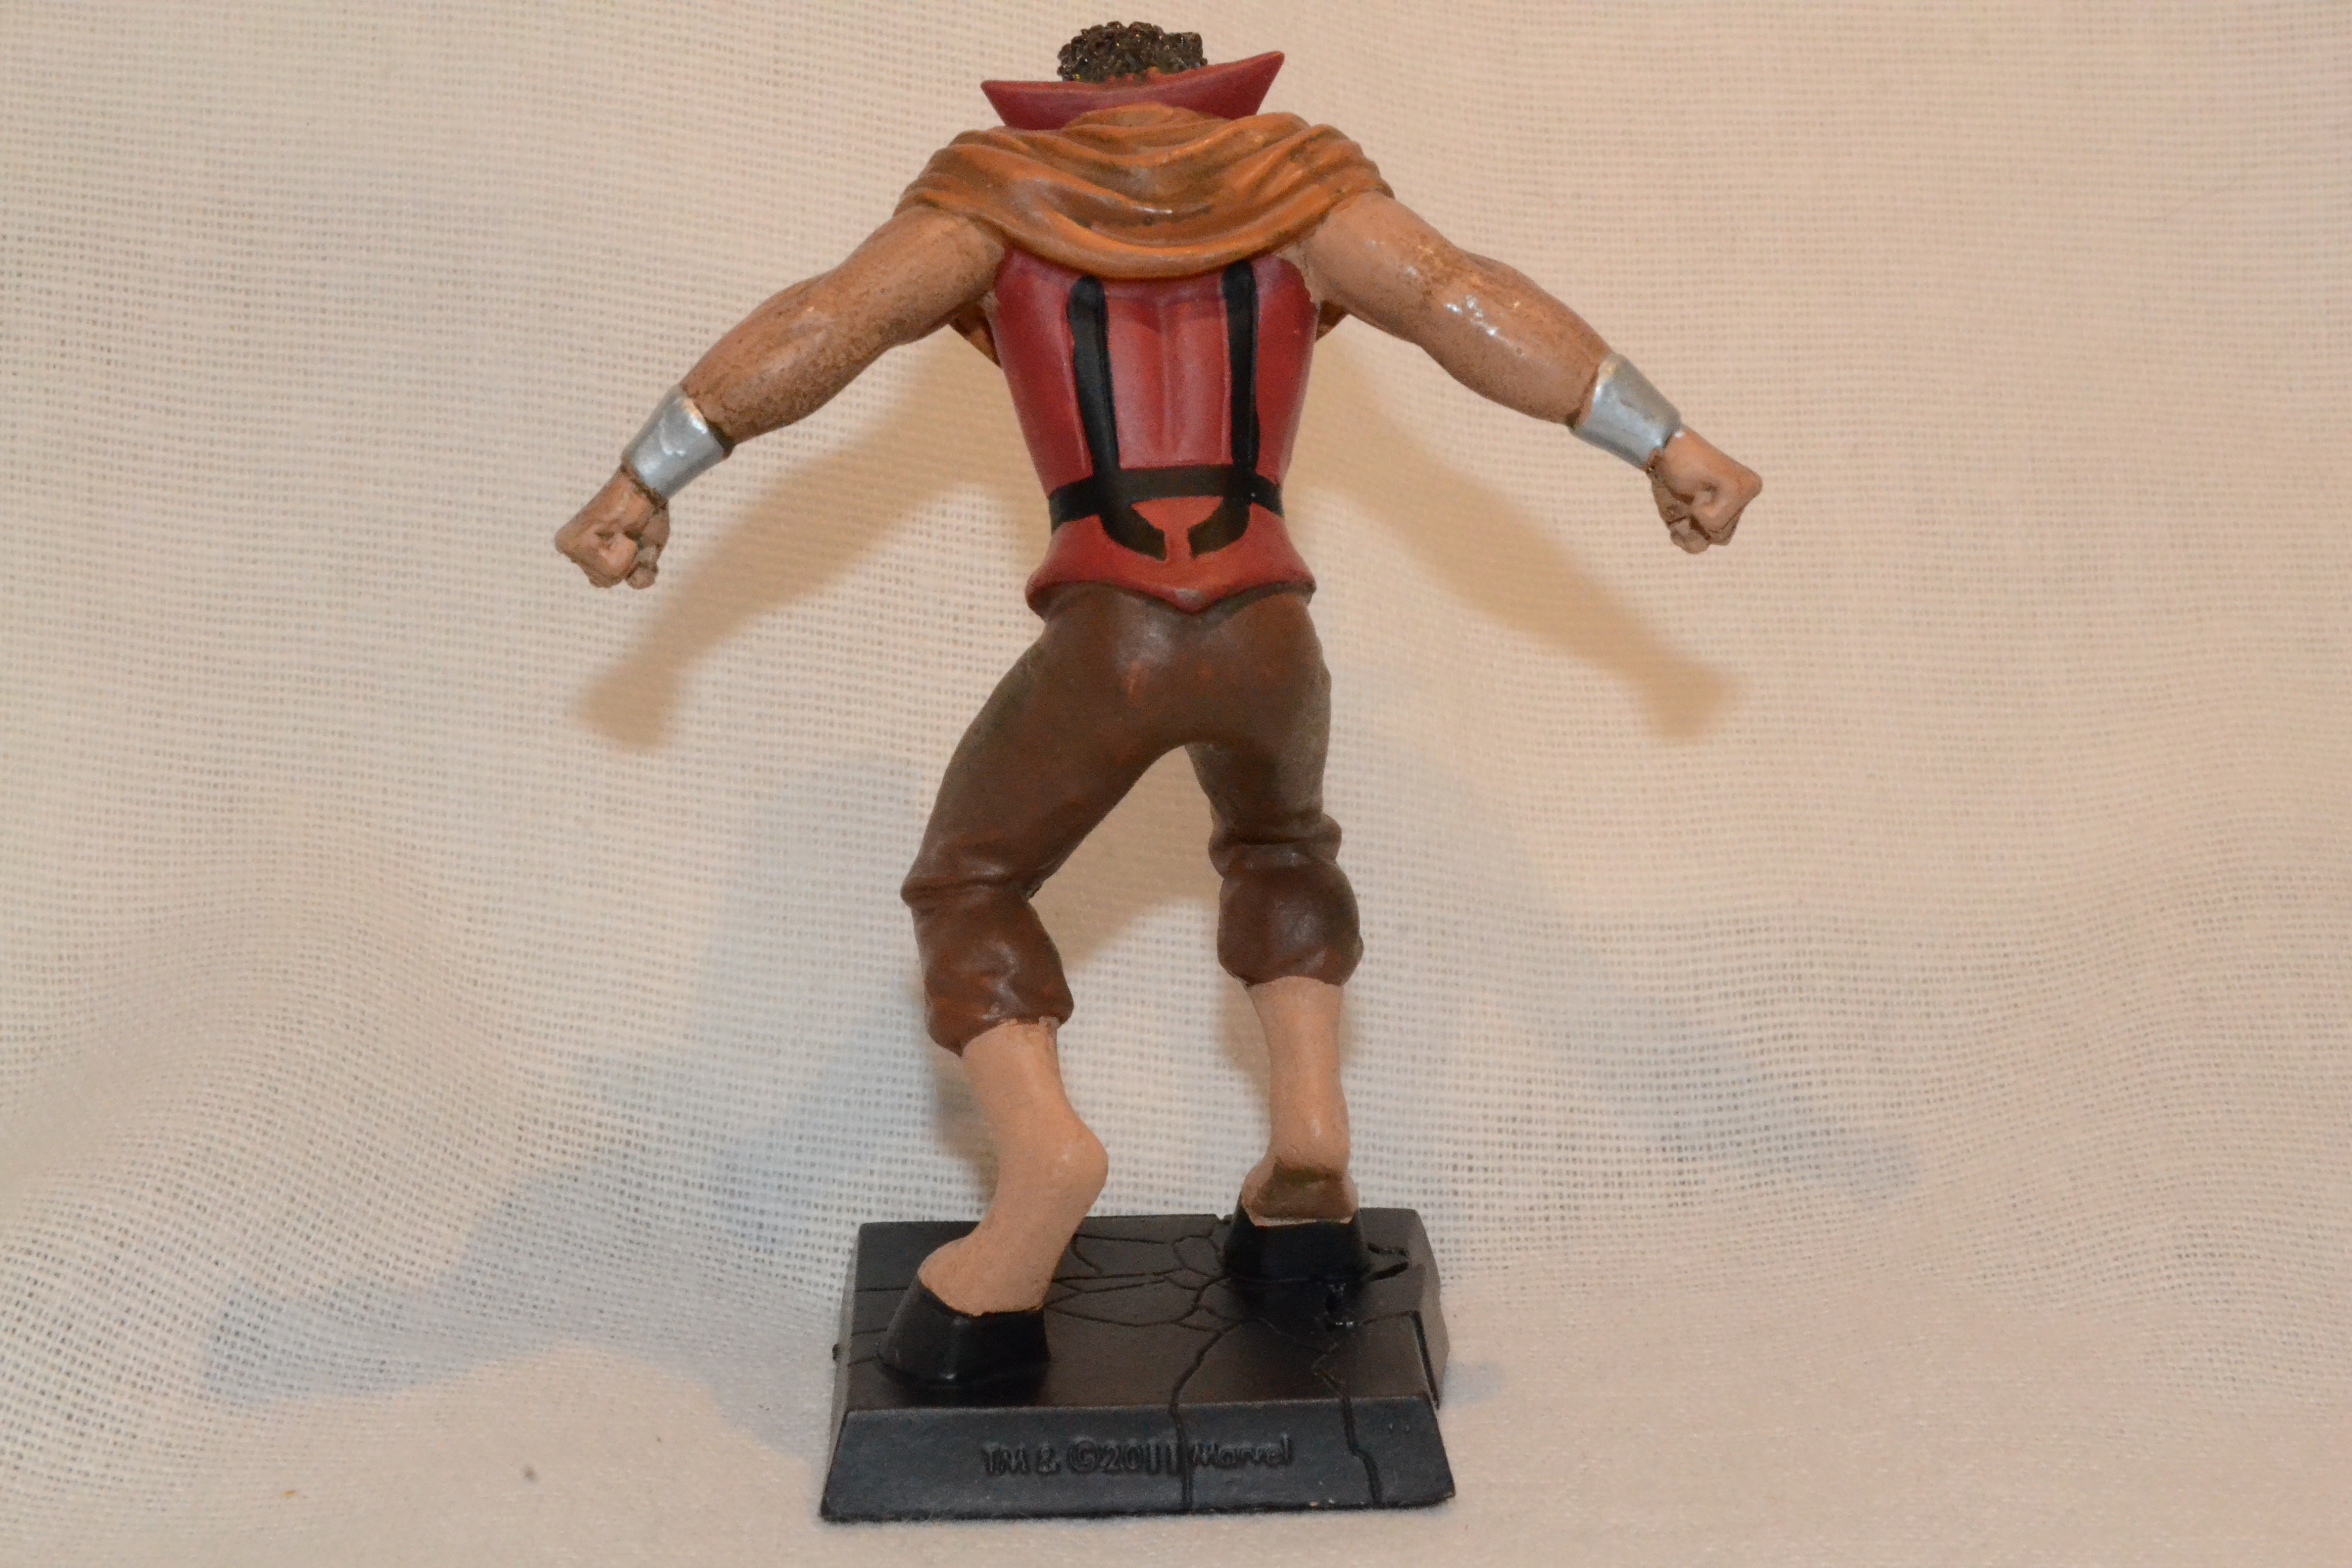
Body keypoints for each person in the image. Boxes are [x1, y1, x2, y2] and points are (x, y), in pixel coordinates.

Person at [556, 23, 1760, 1387]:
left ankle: (1039, 1178)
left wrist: (647, 473)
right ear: (1207, 92)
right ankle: (1309, 1136)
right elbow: (1459, 297)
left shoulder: (994, 204)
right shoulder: (1303, 195)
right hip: (1271, 625)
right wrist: (1669, 442)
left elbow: (822, 325)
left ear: (1068, 102)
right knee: (1282, 845)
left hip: (1113, 626)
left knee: (969, 882)